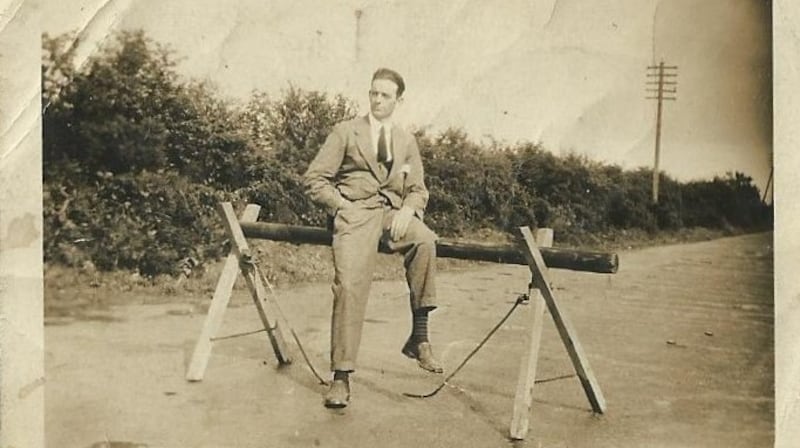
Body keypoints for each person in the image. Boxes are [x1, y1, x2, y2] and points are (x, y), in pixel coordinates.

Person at [303, 68, 443, 409]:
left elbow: (417, 189)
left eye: (385, 96)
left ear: (398, 101)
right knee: (350, 286)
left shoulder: (406, 141)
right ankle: (341, 376)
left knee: (425, 240)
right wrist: (340, 206)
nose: (378, 101)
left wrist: (409, 210)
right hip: (355, 215)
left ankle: (420, 337)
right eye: (373, 94)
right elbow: (314, 179)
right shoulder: (345, 132)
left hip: (392, 215)